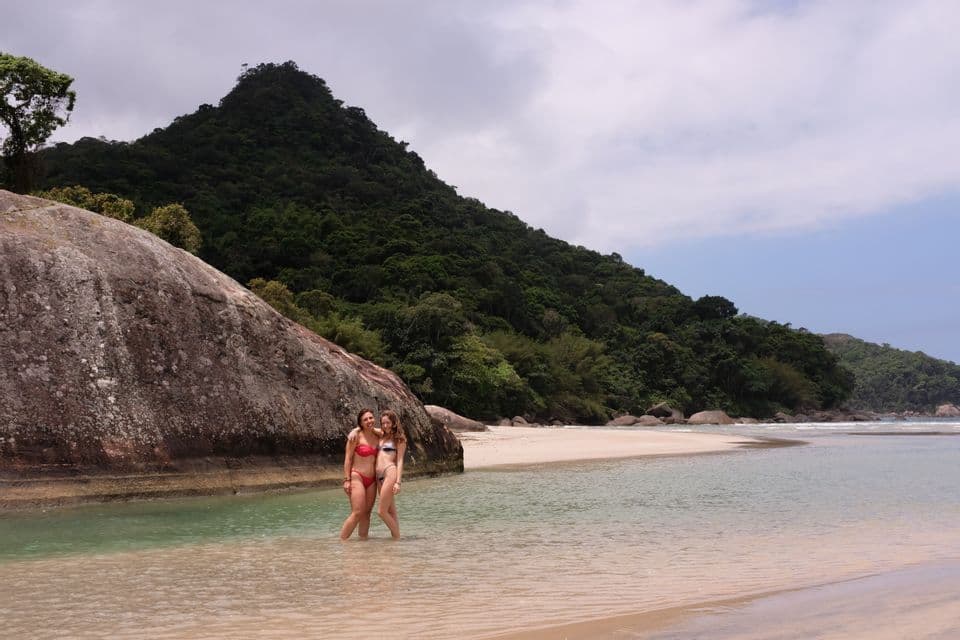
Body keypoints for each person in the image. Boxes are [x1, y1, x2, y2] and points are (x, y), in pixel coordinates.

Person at [339, 408, 380, 540]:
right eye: (365, 419)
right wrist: (347, 480)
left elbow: (391, 431)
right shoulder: (355, 437)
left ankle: (363, 544)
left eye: (371, 418)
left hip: (372, 480)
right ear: (360, 423)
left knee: (367, 513)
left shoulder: (378, 435)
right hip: (357, 476)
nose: (369, 421)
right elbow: (348, 458)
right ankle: (342, 542)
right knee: (357, 512)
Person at [375, 409, 406, 539]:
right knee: (391, 512)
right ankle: (395, 544)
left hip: (390, 473)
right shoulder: (381, 434)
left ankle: (398, 538)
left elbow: (399, 461)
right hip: (378, 477)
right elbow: (366, 428)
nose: (385, 426)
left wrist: (398, 482)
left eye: (388, 423)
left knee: (381, 512)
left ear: (393, 423)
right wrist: (355, 430)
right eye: (383, 423)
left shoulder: (399, 439)